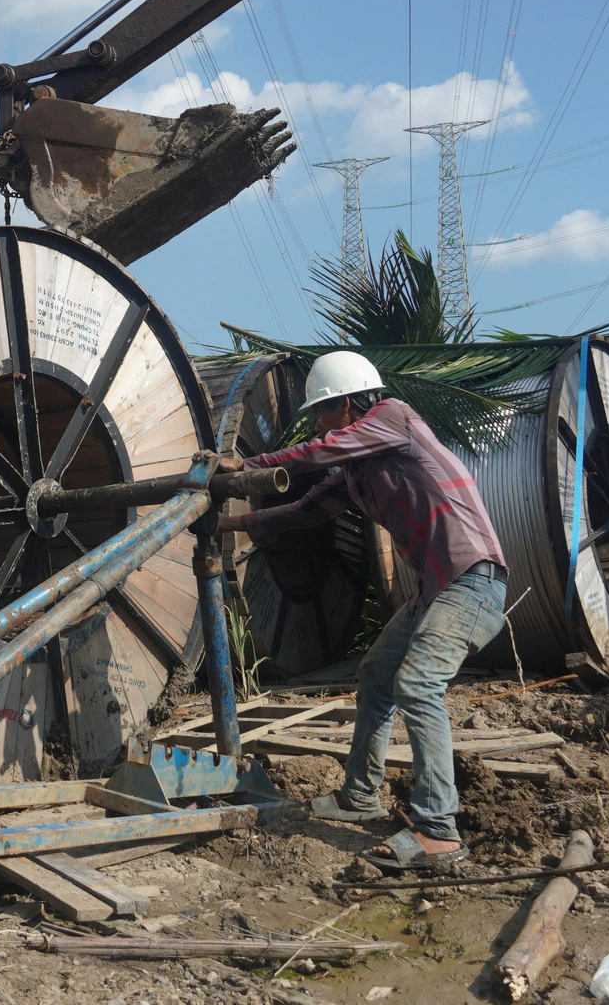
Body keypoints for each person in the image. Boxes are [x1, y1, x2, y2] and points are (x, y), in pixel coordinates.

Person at [213, 351, 507, 871]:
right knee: (376, 676)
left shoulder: (395, 418)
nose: (321, 424)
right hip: (437, 589)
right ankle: (360, 797)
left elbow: (325, 448)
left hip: (472, 580)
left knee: (417, 683)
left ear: (347, 405)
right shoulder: (357, 472)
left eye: (322, 413)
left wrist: (250, 463)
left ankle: (439, 831)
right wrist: (229, 528)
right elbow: (305, 511)